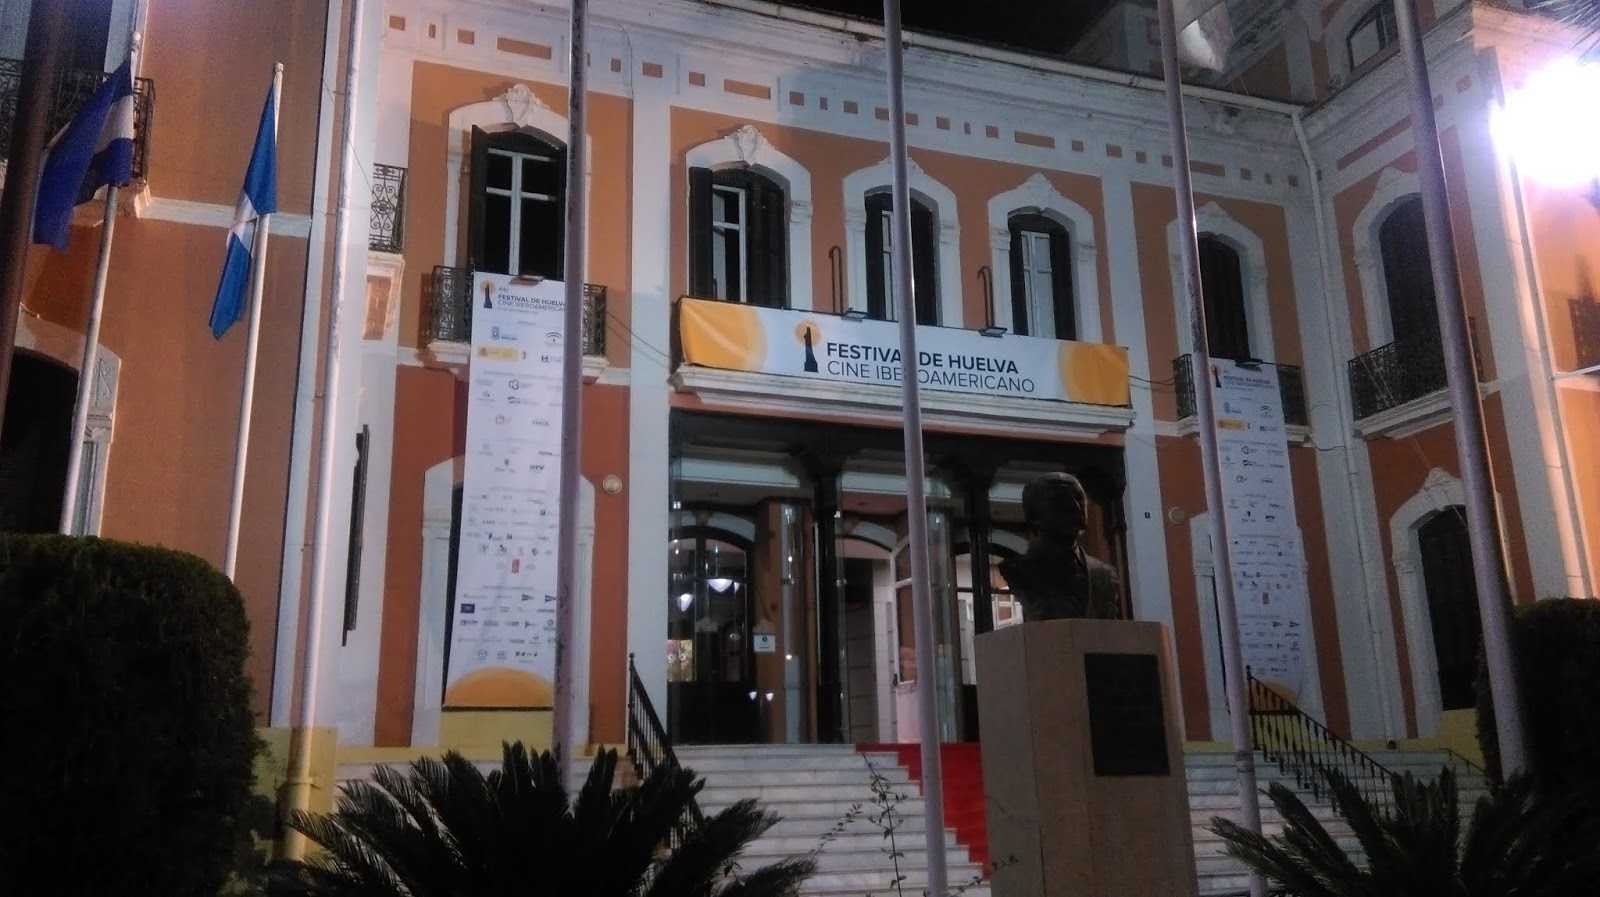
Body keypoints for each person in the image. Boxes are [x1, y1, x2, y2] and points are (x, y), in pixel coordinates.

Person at [998, 472, 1123, 621]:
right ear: (1034, 515)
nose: (1075, 507)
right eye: (1060, 500)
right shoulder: (1018, 570)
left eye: (1079, 498)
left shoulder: (1105, 575)